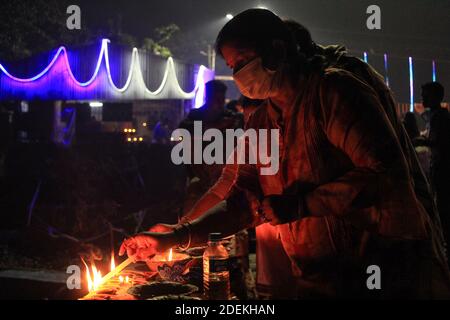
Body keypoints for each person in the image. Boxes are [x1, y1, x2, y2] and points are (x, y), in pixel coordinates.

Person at [120, 9, 450, 298]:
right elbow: (241, 197)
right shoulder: (264, 120)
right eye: (232, 67)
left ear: (277, 51)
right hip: (316, 281)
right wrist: (177, 235)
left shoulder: (334, 92)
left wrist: (302, 204)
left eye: (243, 62)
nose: (238, 77)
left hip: (381, 276)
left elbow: (384, 175)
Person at [422, 82, 450, 259]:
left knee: (444, 207)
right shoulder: (437, 116)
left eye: (425, 95)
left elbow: (442, 144)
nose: (422, 98)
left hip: (443, 169)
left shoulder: (440, 118)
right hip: (439, 168)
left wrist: (420, 142)